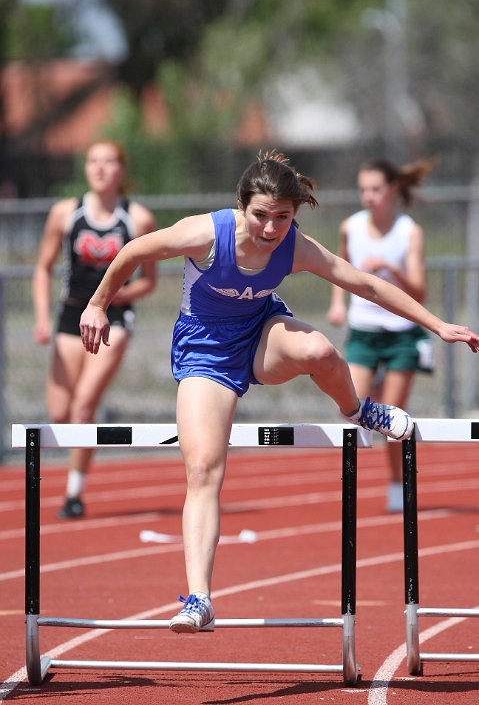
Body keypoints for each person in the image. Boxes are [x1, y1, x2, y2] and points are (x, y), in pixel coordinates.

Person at [78, 150, 479, 634]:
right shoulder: (205, 233)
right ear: (241, 207)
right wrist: (98, 303)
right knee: (203, 468)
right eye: (261, 216)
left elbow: (366, 285)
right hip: (205, 353)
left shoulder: (295, 246)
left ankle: (359, 410)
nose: (271, 229)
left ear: (295, 214)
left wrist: (438, 325)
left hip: (261, 335)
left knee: (321, 352)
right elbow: (133, 251)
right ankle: (199, 599)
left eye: (282, 218)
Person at [33, 139, 157, 519]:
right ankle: (74, 478)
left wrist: (117, 298)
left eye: (108, 162)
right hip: (71, 317)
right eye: (93, 161)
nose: (100, 168)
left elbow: (149, 281)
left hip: (114, 319)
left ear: (121, 170)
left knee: (84, 406)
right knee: (59, 413)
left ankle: (74, 493)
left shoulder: (137, 219)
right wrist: (41, 317)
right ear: (85, 168)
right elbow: (43, 267)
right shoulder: (65, 214)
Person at [327, 156, 436, 513]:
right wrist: (338, 303)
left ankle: (396, 482)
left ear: (391, 190)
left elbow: (419, 292)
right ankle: (353, 488)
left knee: (393, 420)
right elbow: (337, 267)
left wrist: (389, 269)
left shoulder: (409, 231)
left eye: (375, 189)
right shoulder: (351, 227)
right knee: (352, 408)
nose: (368, 196)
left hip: (401, 334)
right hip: (364, 331)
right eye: (362, 190)